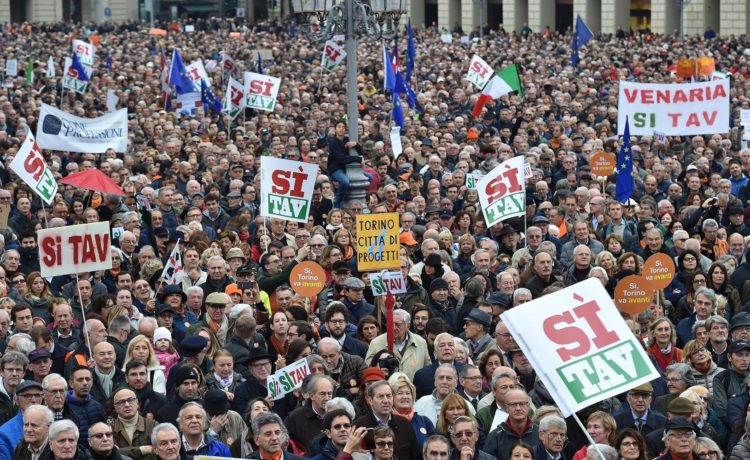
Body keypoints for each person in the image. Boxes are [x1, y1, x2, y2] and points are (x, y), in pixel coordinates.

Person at [353, 380, 422, 459]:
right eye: (381, 396)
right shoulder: (359, 427)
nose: (386, 401)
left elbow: (416, 456)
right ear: (370, 400)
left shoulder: (405, 424)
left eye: (389, 396)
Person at [111, 386, 156, 459]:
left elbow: (159, 450)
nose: (127, 405)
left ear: (137, 402)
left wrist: (122, 451)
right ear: (115, 407)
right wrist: (143, 449)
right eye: (121, 402)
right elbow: (112, 454)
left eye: (130, 400)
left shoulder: (152, 425)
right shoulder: (109, 430)